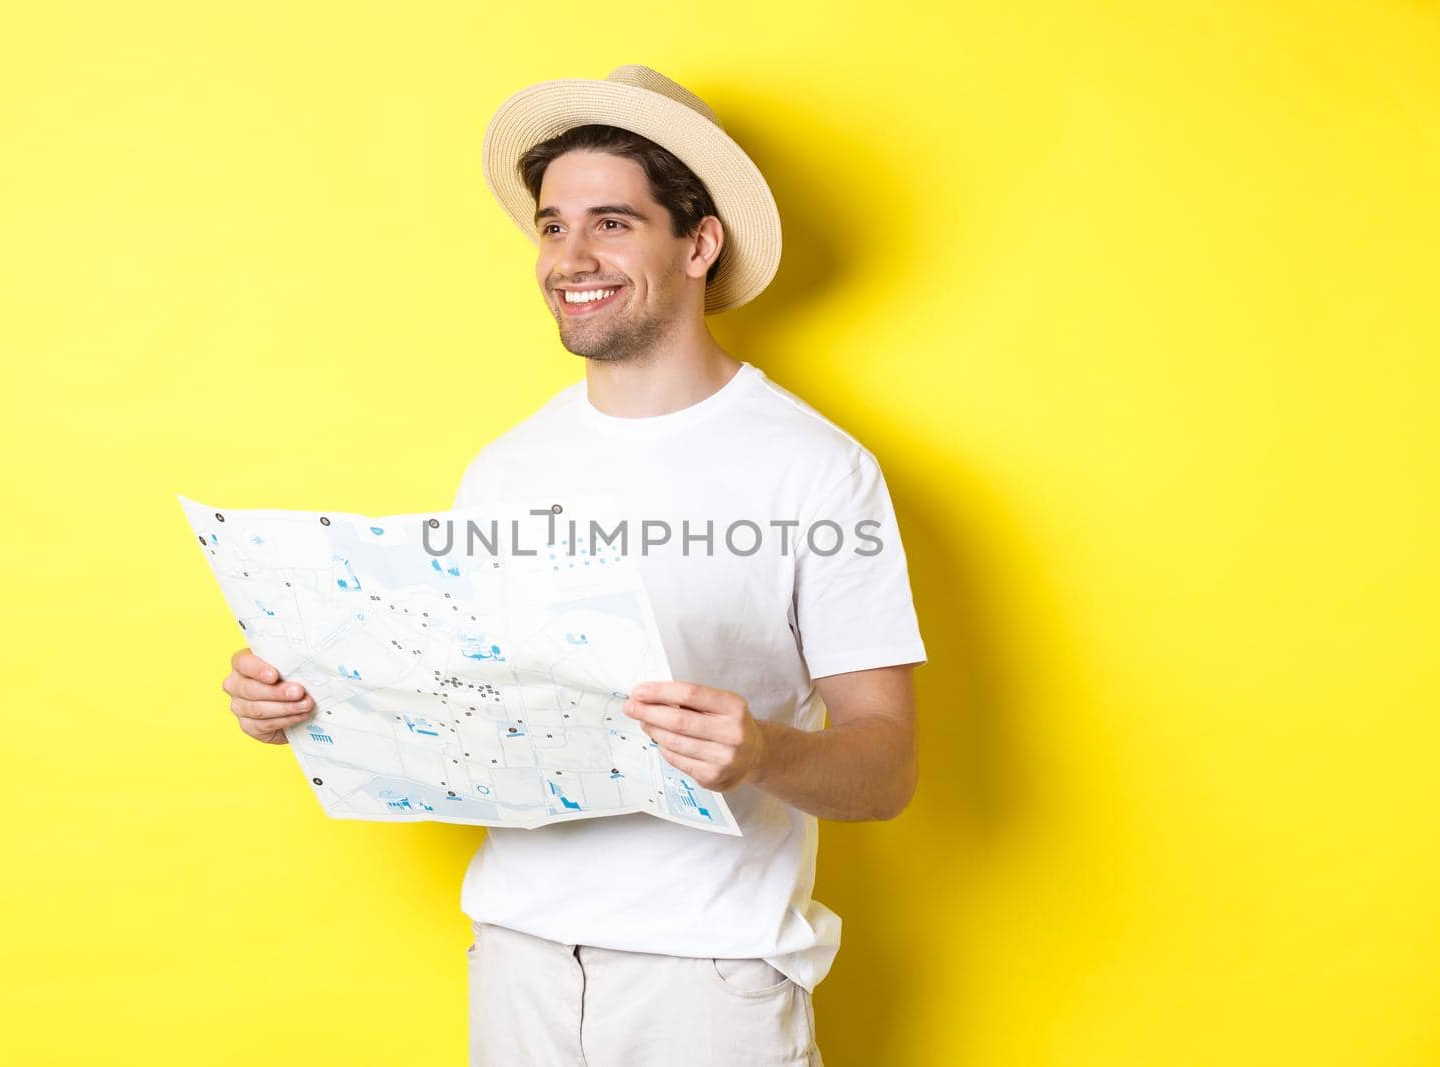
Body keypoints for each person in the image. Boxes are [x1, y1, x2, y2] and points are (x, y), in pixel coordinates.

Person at [219, 65, 928, 1066]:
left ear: (699, 241)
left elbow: (886, 763)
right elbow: (462, 711)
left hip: (710, 982)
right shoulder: (506, 467)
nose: (570, 256)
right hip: (519, 970)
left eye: (611, 222)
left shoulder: (816, 469)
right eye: (552, 225)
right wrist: (306, 697)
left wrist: (764, 753)